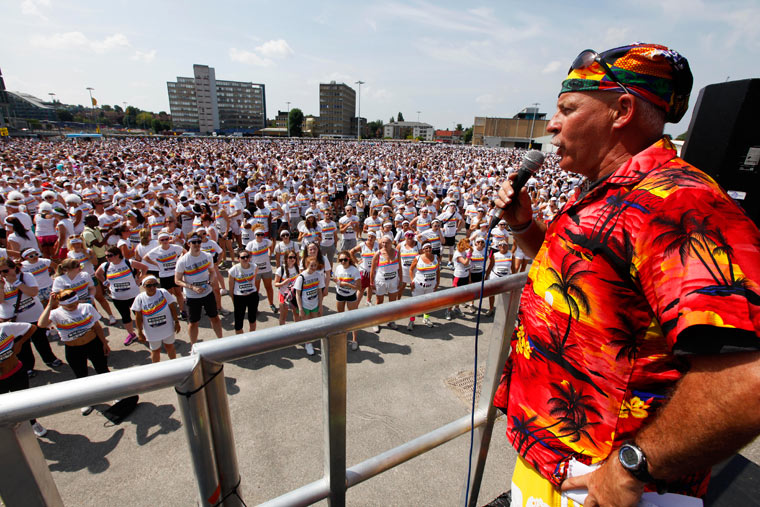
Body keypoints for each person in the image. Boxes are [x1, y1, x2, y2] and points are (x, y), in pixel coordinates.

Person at [492, 43, 760, 506]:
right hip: (558, 460)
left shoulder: (678, 205)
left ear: (622, 110)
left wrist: (635, 462)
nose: (552, 125)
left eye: (567, 109)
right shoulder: (609, 192)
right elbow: (578, 286)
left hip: (609, 485)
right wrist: (523, 225)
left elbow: (748, 377)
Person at [38, 289, 109, 416]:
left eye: (75, 303)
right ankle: (86, 400)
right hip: (73, 349)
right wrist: (49, 305)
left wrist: (104, 343)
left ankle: (114, 394)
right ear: (61, 304)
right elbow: (41, 324)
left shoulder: (86, 307)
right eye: (70, 305)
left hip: (93, 344)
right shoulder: (55, 313)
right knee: (81, 375)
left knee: (102, 370)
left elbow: (97, 326)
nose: (74, 306)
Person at [0, 258, 62, 376]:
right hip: (14, 319)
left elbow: (33, 292)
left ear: (14, 268)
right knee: (22, 345)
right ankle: (28, 367)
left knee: (40, 339)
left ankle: (50, 359)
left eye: (5, 271)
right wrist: (1, 287)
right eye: (0, 272)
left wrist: (16, 283)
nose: (3, 274)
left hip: (33, 314)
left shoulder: (26, 276)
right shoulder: (1, 282)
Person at [0, 308, 47, 436]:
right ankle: (8, 428)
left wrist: (19, 343)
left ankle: (33, 423)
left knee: (24, 401)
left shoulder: (5, 328)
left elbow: (31, 328)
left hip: (16, 373)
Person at [174, 232, 223, 344]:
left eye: (199, 242)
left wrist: (210, 281)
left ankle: (221, 341)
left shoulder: (207, 256)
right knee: (193, 323)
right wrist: (192, 288)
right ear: (188, 243)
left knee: (215, 318)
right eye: (194, 242)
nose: (197, 244)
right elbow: (177, 280)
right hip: (192, 296)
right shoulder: (182, 261)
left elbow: (212, 272)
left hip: (207, 293)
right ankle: (193, 347)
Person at [95, 246, 148, 346]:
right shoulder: (105, 266)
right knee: (125, 317)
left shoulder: (128, 262)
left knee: (139, 315)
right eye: (106, 255)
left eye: (110, 255)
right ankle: (131, 334)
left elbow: (144, 268)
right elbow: (97, 274)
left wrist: (139, 280)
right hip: (117, 297)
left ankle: (144, 332)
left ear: (117, 255)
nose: (107, 257)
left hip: (133, 295)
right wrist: (104, 282)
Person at [131, 276, 180, 363]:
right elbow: (138, 317)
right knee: (155, 351)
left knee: (170, 346)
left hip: (167, 328)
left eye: (154, 284)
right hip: (152, 332)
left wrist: (176, 322)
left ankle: (174, 364)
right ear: (143, 286)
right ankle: (156, 369)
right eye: (149, 285)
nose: (152, 287)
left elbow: (172, 308)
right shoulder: (140, 298)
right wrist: (140, 332)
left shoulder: (163, 292)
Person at [369, 235, 401, 333]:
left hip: (393, 281)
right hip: (381, 281)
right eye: (383, 242)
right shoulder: (378, 254)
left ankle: (391, 321)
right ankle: (376, 322)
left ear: (391, 243)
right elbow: (372, 269)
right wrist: (371, 282)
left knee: (392, 302)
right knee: (379, 302)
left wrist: (401, 280)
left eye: (387, 242)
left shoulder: (397, 252)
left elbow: (399, 268)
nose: (384, 244)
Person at [293, 255, 325, 356]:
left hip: (315, 304)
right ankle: (308, 344)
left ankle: (312, 339)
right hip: (305, 305)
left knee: (315, 323)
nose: (313, 267)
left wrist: (320, 305)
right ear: (307, 264)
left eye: (315, 265)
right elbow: (297, 294)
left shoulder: (318, 275)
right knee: (306, 325)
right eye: (311, 265)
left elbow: (320, 291)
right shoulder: (301, 277)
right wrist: (300, 308)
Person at [332, 250, 361, 350]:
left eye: (345, 259)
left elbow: (359, 287)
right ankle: (342, 337)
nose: (343, 262)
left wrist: (346, 284)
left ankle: (354, 339)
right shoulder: (338, 268)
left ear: (349, 259)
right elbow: (336, 279)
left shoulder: (354, 270)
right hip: (340, 294)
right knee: (340, 317)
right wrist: (338, 282)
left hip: (351, 295)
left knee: (352, 318)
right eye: (341, 260)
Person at [407, 241, 439, 330]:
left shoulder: (436, 257)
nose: (428, 249)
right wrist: (412, 281)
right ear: (423, 250)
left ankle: (426, 318)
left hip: (431, 285)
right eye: (426, 248)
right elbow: (410, 270)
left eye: (429, 247)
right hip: (418, 285)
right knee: (415, 304)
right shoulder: (418, 258)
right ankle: (412, 320)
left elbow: (438, 271)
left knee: (428, 303)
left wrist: (437, 282)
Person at [228, 248, 259, 334]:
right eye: (242, 257)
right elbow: (231, 287)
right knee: (238, 323)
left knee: (252, 319)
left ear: (249, 257)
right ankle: (241, 342)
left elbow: (254, 280)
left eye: (247, 257)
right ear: (238, 259)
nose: (245, 259)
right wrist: (233, 299)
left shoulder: (254, 267)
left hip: (252, 296)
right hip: (239, 297)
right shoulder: (233, 270)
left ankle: (251, 338)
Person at [274, 251, 300, 326]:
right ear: (286, 258)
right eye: (290, 257)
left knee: (296, 314)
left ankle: (297, 331)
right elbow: (275, 284)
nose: (292, 259)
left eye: (294, 257)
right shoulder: (280, 269)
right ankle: (282, 333)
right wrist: (283, 283)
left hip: (294, 295)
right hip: (284, 295)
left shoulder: (297, 267)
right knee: (283, 316)